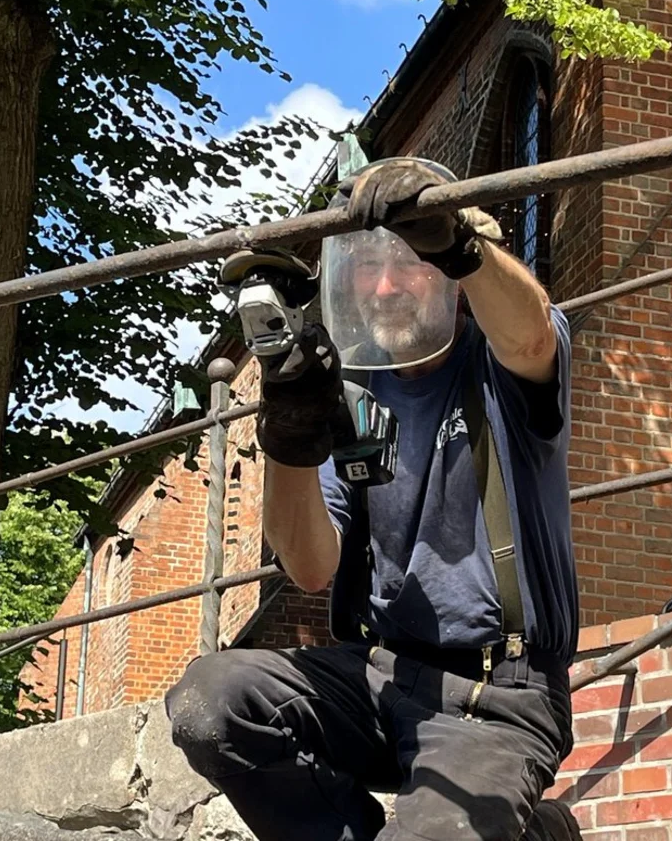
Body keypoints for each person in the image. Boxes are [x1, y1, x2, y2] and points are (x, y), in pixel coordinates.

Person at [166, 158, 580, 841]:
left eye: (409, 262)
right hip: (377, 675)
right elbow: (309, 567)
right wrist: (292, 430)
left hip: (500, 694)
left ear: (448, 272)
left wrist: (456, 241)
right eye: (366, 267)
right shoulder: (350, 391)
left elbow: (531, 334)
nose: (385, 287)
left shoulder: (498, 362)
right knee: (212, 700)